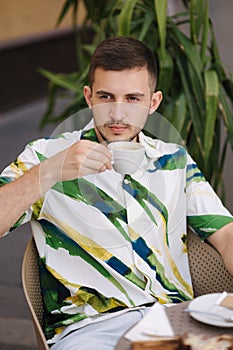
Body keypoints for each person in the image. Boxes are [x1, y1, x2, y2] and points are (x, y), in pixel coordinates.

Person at [0, 36, 233, 350]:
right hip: (90, 331)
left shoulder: (174, 160)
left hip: (174, 323)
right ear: (89, 97)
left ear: (153, 102)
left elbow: (227, 237)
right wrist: (51, 171)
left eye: (133, 98)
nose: (118, 114)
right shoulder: (46, 156)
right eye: (106, 97)